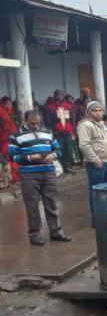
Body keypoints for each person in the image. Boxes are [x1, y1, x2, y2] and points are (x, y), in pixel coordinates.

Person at [9, 110, 72, 245]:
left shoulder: (47, 133)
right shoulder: (16, 136)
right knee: (32, 206)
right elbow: (12, 156)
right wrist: (31, 158)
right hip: (29, 174)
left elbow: (58, 150)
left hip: (48, 172)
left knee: (51, 203)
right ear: (25, 121)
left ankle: (56, 231)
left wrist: (52, 156)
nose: (35, 126)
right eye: (32, 123)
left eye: (37, 123)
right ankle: (35, 234)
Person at [77, 101, 107, 227]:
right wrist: (95, 159)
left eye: (100, 110)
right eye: (95, 110)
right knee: (96, 192)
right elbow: (84, 145)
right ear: (89, 112)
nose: (98, 113)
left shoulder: (102, 125)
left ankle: (105, 216)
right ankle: (97, 220)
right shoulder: (86, 125)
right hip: (96, 164)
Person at [47, 89, 76, 173]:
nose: (59, 96)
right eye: (57, 95)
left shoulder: (69, 106)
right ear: (54, 96)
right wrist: (53, 130)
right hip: (57, 133)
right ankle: (61, 167)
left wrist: (73, 131)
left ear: (64, 96)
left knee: (69, 150)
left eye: (61, 95)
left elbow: (72, 119)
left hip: (68, 133)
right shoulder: (50, 107)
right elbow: (48, 121)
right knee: (59, 150)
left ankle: (68, 166)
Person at [0, 97, 18, 180]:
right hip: (4, 139)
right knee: (8, 157)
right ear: (3, 104)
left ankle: (15, 176)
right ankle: (13, 177)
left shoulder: (10, 113)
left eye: (10, 104)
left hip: (11, 137)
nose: (9, 106)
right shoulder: (1, 114)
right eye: (7, 104)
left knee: (13, 156)